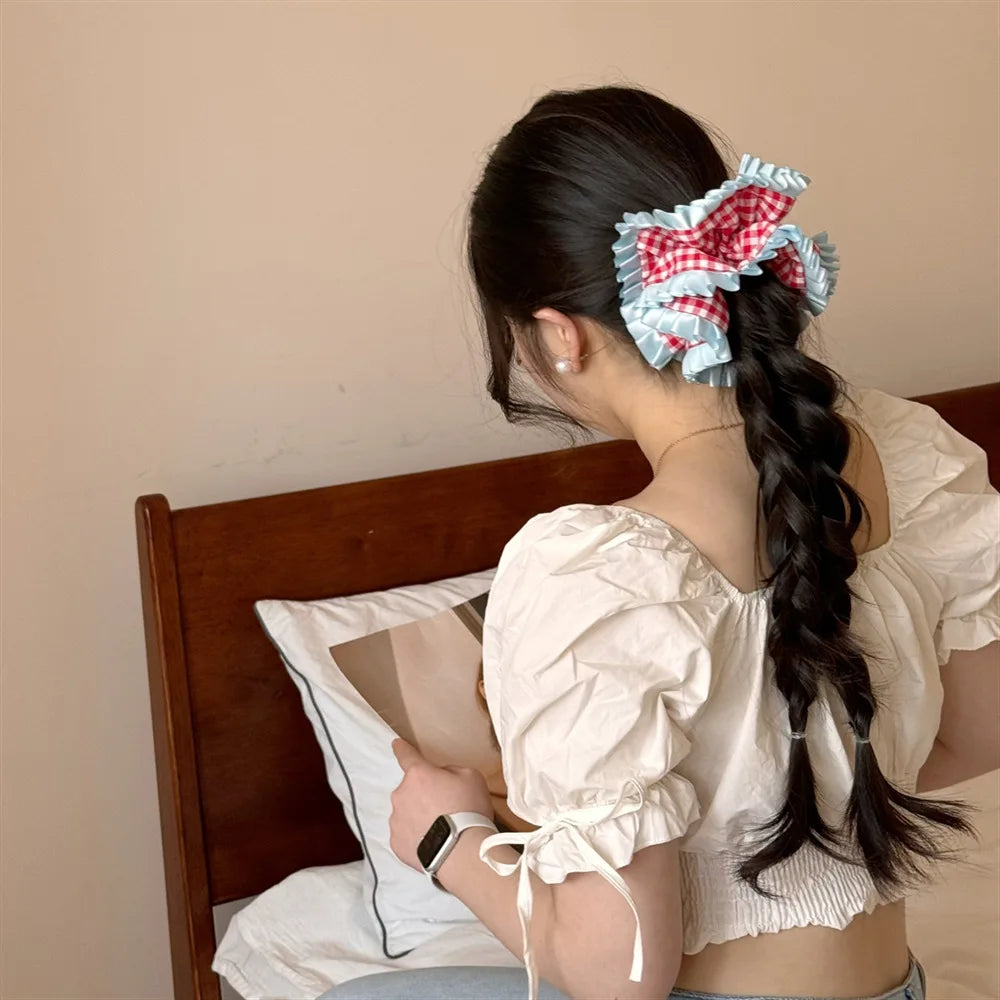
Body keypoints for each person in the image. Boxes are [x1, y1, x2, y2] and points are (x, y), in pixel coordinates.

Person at [322, 87, 999, 1000]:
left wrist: (449, 839)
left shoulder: (594, 576)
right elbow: (978, 729)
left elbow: (621, 975)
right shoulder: (913, 456)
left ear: (558, 335)